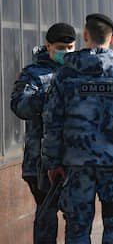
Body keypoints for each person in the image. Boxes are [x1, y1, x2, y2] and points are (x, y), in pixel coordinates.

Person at [42, 13, 113, 244]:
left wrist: (53, 162)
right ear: (112, 40)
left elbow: (52, 122)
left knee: (77, 231)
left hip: (77, 165)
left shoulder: (65, 75)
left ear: (85, 36)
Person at [10, 23, 76, 244]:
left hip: (75, 159)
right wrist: (48, 94)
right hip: (40, 161)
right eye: (60, 47)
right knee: (46, 217)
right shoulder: (34, 74)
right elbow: (20, 107)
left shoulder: (80, 72)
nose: (65, 52)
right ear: (48, 45)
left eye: (70, 47)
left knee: (77, 220)